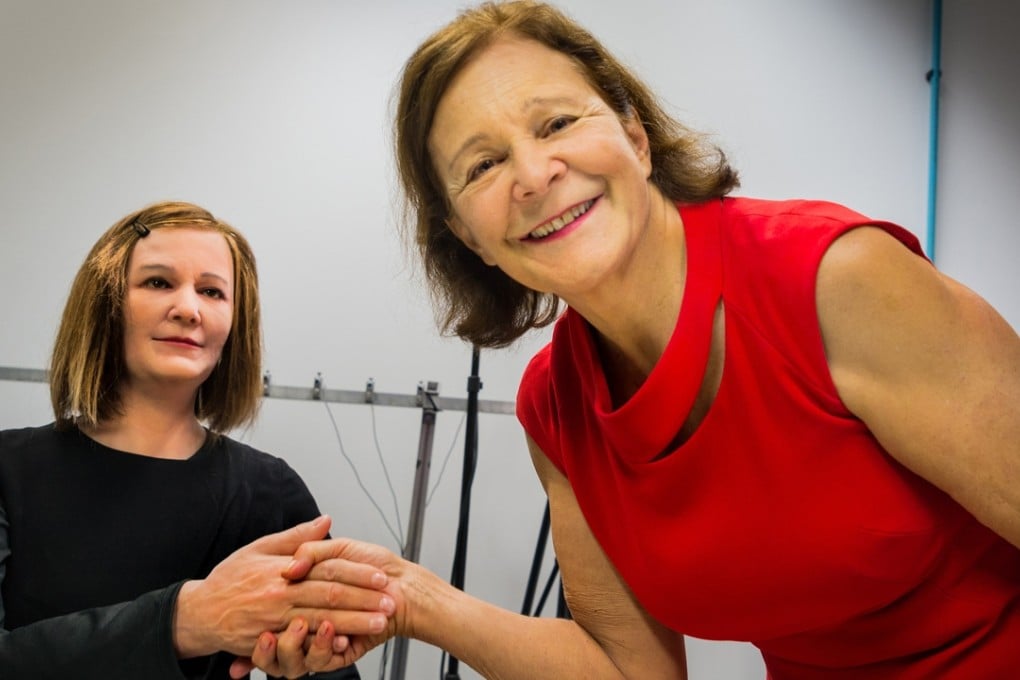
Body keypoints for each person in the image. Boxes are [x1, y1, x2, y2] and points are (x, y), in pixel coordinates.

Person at [250, 1, 1020, 678]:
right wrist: (409, 601)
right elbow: (628, 671)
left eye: (556, 122)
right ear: (468, 238)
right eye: (483, 164)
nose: (534, 172)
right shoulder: (556, 409)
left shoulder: (832, 282)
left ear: (635, 136)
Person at [0, 201, 394, 680]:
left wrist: (305, 661)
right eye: (158, 282)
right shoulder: (9, 470)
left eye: (211, 291)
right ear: (104, 304)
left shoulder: (266, 491)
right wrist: (186, 621)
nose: (188, 310)